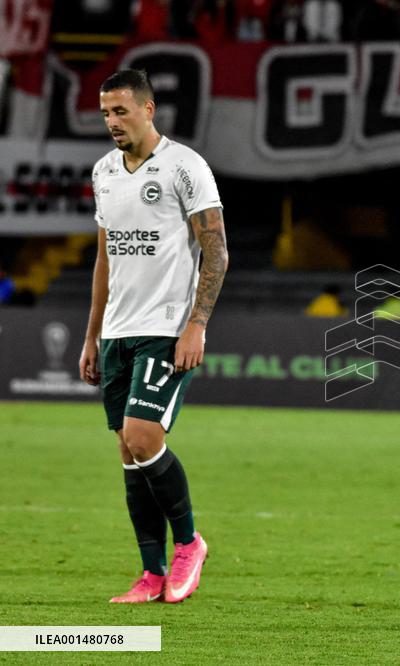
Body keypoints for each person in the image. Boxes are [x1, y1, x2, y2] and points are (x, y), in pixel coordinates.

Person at [78, 69, 227, 604]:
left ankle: (189, 543)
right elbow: (106, 258)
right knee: (127, 451)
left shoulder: (185, 167)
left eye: (121, 111)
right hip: (118, 330)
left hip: (166, 328)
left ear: (148, 109)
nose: (112, 122)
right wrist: (92, 336)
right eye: (105, 114)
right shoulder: (103, 172)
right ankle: (151, 573)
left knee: (144, 436)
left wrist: (196, 325)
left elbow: (217, 250)